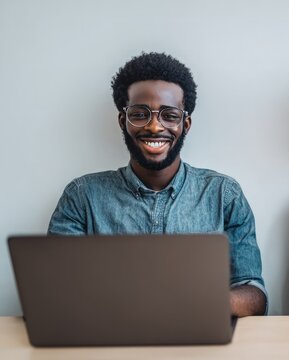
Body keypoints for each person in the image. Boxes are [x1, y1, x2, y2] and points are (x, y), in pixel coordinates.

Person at [48, 52, 266, 317]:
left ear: (185, 124)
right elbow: (57, 293)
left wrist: (191, 304)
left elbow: (254, 293)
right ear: (123, 121)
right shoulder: (82, 197)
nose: (154, 127)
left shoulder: (223, 195)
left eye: (169, 115)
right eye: (140, 114)